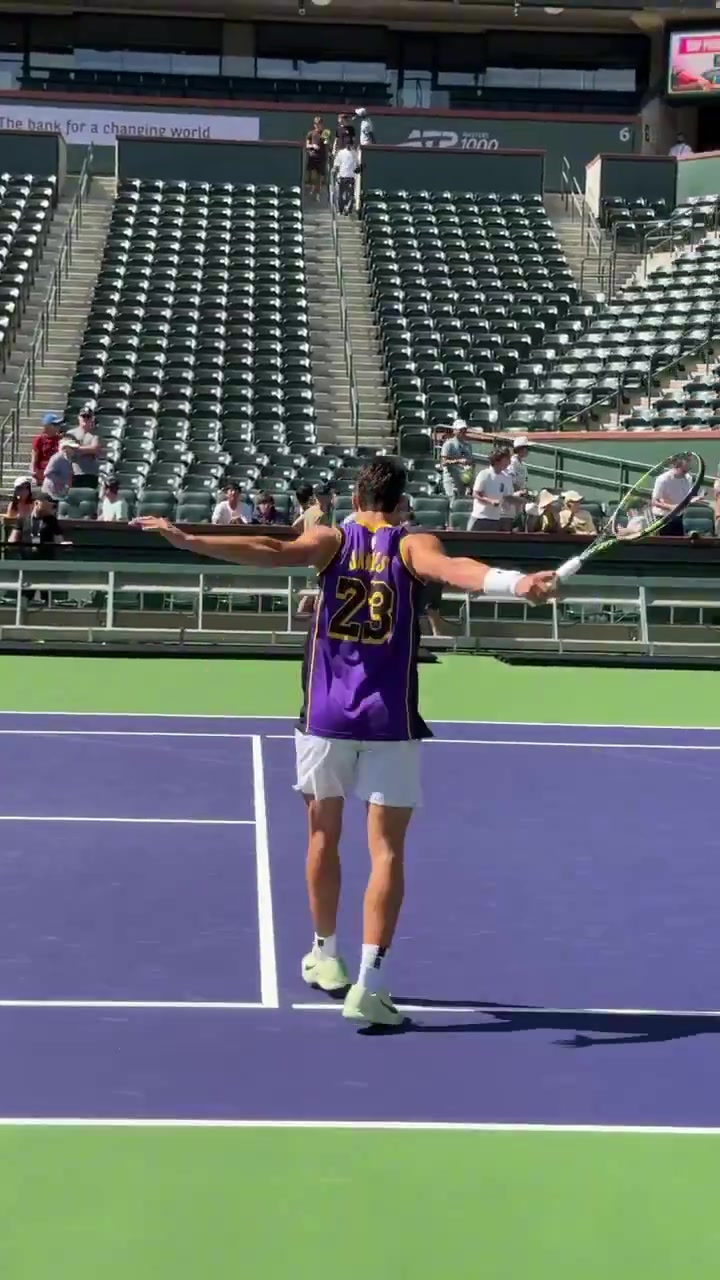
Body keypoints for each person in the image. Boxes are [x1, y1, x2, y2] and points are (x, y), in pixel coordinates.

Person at [134, 458, 556, 1027]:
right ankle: (371, 984)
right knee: (386, 852)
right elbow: (455, 569)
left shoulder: (330, 540)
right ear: (402, 503)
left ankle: (325, 954)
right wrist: (516, 583)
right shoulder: (413, 545)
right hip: (389, 721)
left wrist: (188, 540)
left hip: (324, 717)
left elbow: (269, 549)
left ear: (357, 497)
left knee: (321, 836)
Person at [468, 446, 513, 531]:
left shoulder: (505, 478)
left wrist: (519, 501)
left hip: (495, 519)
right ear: (497, 460)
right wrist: (490, 501)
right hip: (480, 518)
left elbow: (506, 497)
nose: (508, 462)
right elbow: (475, 494)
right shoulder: (484, 474)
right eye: (506, 459)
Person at [651, 453, 694, 537]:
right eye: (683, 471)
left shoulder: (688, 478)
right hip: (663, 518)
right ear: (677, 465)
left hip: (679, 517)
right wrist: (671, 507)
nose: (685, 473)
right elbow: (655, 502)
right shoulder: (662, 479)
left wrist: (694, 499)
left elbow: (687, 497)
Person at [65, 405, 100, 490]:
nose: (85, 418)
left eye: (88, 416)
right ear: (78, 417)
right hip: (74, 472)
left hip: (91, 473)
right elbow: (68, 450)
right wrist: (87, 450)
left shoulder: (95, 435)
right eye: (83, 416)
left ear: (91, 418)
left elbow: (95, 449)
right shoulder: (71, 433)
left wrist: (77, 449)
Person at [440, 420, 473, 499]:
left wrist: (470, 482)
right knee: (453, 500)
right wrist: (458, 461)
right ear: (454, 431)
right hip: (451, 480)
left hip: (463, 479)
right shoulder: (448, 444)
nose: (463, 432)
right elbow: (443, 462)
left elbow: (471, 462)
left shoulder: (468, 445)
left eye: (464, 429)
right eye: (460, 430)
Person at [31, 413, 62, 487]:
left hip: (57, 474)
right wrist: (34, 473)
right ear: (47, 426)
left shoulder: (60, 439)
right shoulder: (39, 440)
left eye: (58, 424)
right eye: (55, 424)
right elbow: (34, 458)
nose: (58, 426)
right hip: (43, 474)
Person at [41, 437, 76, 501]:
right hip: (51, 490)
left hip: (60, 491)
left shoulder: (68, 459)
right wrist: (60, 481)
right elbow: (47, 473)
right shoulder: (57, 458)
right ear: (65, 448)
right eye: (71, 448)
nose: (74, 450)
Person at [4, 476, 34, 544]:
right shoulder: (13, 504)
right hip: (15, 532)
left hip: (29, 533)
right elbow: (9, 520)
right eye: (20, 488)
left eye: (27, 488)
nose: (24, 490)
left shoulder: (33, 504)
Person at [333, 142, 359, 216]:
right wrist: (336, 175)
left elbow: (357, 166)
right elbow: (337, 165)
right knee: (340, 194)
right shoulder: (341, 153)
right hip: (342, 176)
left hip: (349, 177)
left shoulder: (354, 153)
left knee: (349, 195)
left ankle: (346, 209)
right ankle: (341, 209)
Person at [305, 119, 328, 201]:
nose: (317, 125)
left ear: (322, 124)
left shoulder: (325, 133)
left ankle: (317, 194)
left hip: (321, 157)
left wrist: (327, 142)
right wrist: (313, 146)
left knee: (320, 177)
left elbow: (327, 144)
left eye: (319, 124)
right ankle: (312, 191)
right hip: (313, 156)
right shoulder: (310, 133)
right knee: (313, 176)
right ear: (314, 124)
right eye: (316, 124)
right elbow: (307, 145)